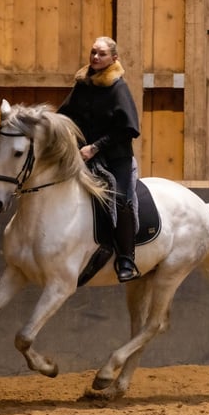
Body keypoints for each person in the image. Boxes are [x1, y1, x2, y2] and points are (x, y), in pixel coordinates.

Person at [58, 36, 141, 282]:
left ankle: (127, 259)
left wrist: (95, 147)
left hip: (116, 158)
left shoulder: (118, 88)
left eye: (101, 54)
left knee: (122, 201)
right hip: (82, 155)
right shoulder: (82, 85)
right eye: (93, 52)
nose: (95, 57)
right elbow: (64, 115)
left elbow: (129, 128)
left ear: (114, 59)